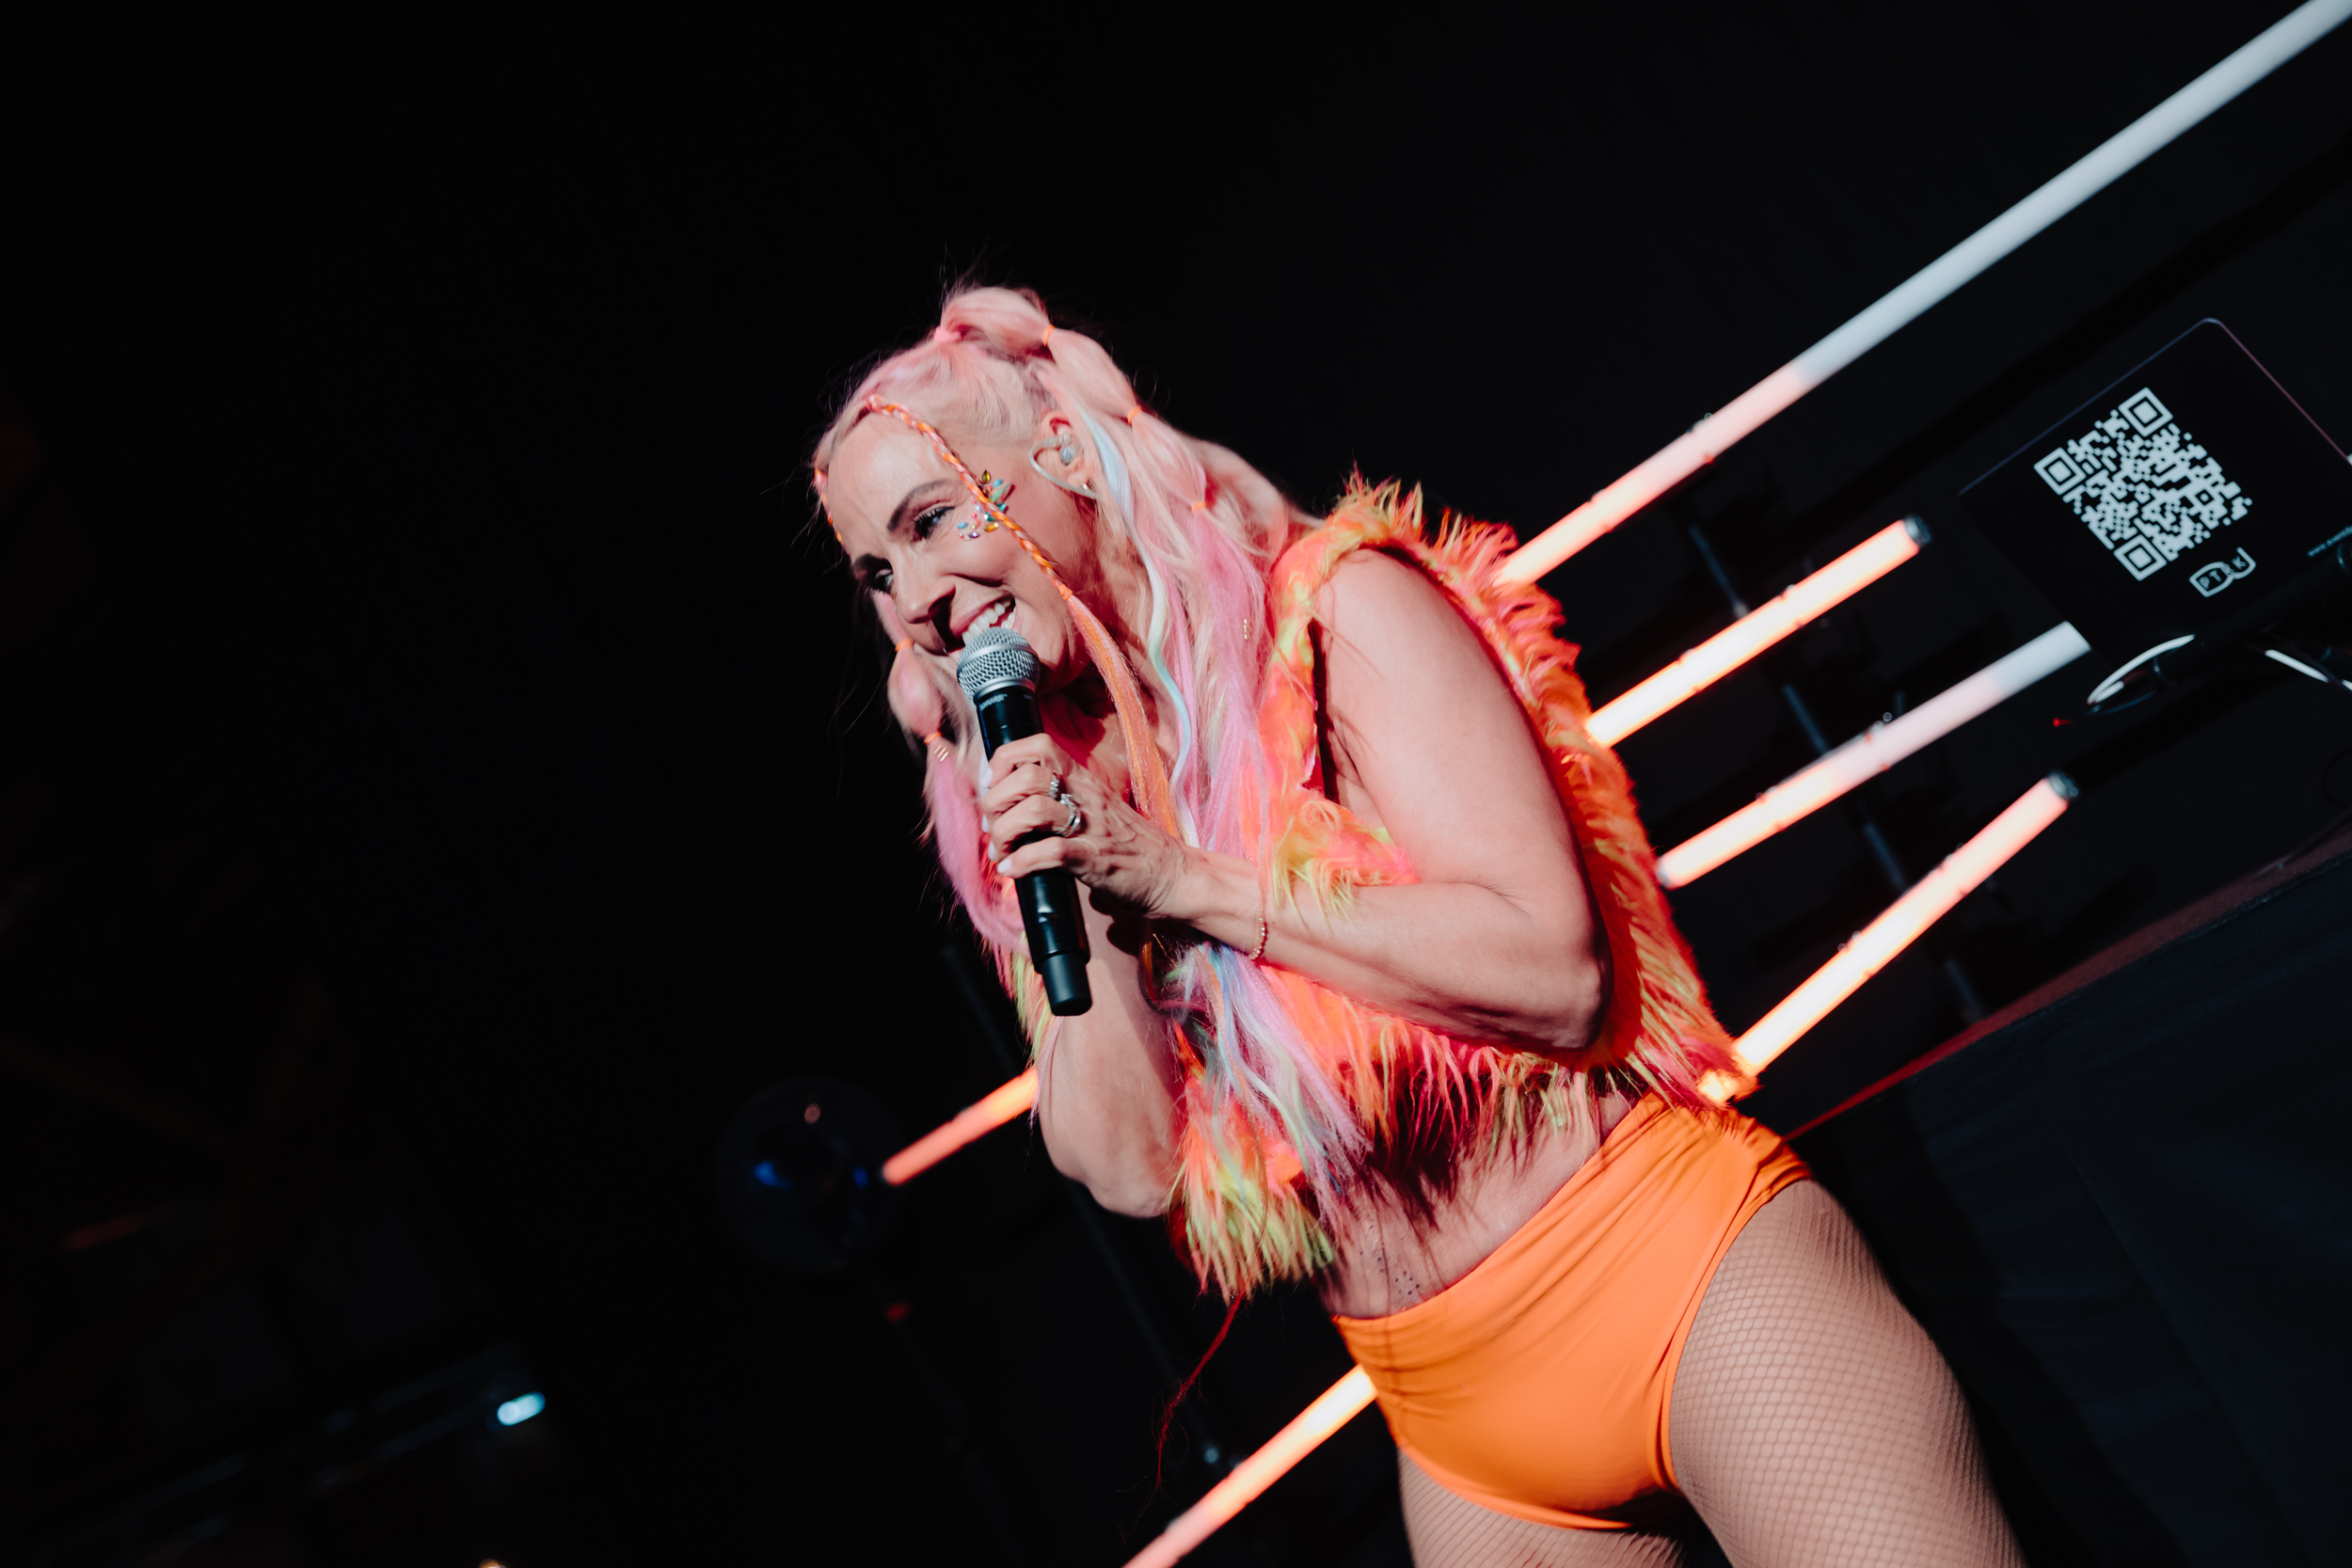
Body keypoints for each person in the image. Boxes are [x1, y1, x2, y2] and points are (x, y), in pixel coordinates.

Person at [814, 286, 2023, 1567]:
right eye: (877, 575)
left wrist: (1182, 880)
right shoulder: (1042, 791)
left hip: (1674, 1277)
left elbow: (1556, 976)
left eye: (931, 521)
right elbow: (1126, 1166)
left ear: (1062, 452)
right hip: (1451, 1414)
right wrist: (1085, 875)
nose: (918, 598)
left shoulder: (1335, 610)